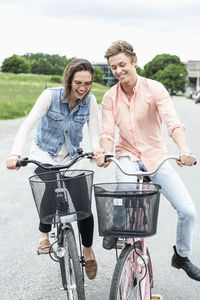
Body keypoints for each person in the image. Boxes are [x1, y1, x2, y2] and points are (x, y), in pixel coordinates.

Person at [96, 40, 200, 281]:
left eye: (122, 64)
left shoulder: (155, 89)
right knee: (123, 193)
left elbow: (173, 124)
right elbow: (107, 134)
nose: (118, 71)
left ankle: (182, 256)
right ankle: (117, 229)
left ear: (134, 61)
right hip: (127, 156)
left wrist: (184, 149)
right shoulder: (110, 97)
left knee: (188, 211)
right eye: (113, 67)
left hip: (156, 157)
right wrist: (103, 152)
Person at [6, 58, 103, 280]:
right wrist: (15, 154)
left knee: (83, 206)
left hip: (71, 156)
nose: (83, 88)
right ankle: (43, 234)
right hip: (44, 154)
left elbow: (94, 133)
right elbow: (27, 125)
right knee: (48, 186)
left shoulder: (90, 101)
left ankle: (87, 251)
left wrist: (96, 150)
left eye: (88, 83)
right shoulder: (49, 96)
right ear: (68, 80)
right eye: (78, 82)